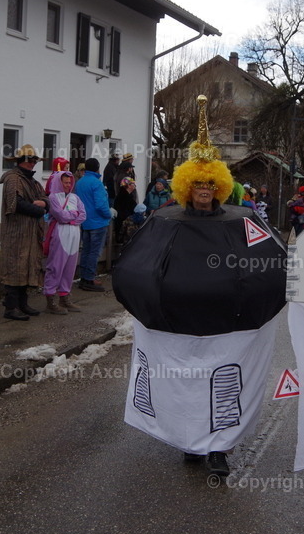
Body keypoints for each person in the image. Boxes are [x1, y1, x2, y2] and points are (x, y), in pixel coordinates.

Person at [113, 95, 286, 479]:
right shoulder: (164, 221)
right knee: (183, 390)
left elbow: (272, 263)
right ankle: (189, 442)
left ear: (220, 186)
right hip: (176, 329)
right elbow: (136, 265)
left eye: (211, 182)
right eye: (198, 183)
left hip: (229, 330)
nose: (204, 188)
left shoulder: (242, 222)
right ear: (186, 187)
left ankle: (219, 448)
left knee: (224, 386)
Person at [0, 144, 49, 321]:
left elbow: (45, 198)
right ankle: (11, 307)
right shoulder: (13, 179)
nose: (33, 163)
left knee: (27, 268)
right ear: (21, 161)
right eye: (30, 160)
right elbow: (15, 203)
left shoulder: (33, 182)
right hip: (16, 233)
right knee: (15, 268)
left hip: (30, 233)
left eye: (35, 160)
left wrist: (44, 204)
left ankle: (22, 303)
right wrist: (40, 210)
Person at [43, 170, 86, 314]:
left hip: (74, 234)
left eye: (69, 182)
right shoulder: (53, 198)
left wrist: (71, 218)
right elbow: (59, 216)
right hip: (60, 233)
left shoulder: (75, 198)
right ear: (59, 182)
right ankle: (50, 298)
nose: (68, 185)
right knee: (56, 266)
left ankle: (64, 296)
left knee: (70, 267)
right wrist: (73, 216)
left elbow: (83, 215)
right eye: (65, 182)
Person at [76, 157, 113, 292]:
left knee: (86, 250)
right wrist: (109, 214)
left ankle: (84, 278)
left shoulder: (80, 182)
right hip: (98, 222)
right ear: (97, 168)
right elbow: (101, 204)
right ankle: (89, 279)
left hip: (85, 222)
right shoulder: (97, 183)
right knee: (94, 252)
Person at [113, 177, 138, 243]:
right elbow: (124, 211)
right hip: (124, 225)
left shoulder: (126, 195)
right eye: (133, 184)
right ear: (129, 185)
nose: (135, 186)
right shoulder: (124, 197)